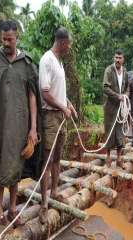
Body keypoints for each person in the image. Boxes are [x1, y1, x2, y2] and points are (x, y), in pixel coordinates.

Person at [0, 20, 40, 226]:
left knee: (16, 169)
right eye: (3, 39)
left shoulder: (26, 63)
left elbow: (33, 96)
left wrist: (33, 128)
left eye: (10, 39)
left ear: (17, 38)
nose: (6, 43)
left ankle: (13, 210)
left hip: (20, 127)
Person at [38, 27, 77, 223]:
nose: (69, 47)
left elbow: (57, 89)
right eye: (68, 43)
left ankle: (54, 192)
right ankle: (44, 204)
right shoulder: (47, 60)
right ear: (62, 42)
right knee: (47, 159)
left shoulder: (59, 62)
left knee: (57, 157)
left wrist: (68, 103)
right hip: (51, 117)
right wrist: (63, 107)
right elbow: (45, 93)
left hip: (61, 116)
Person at [103, 49, 129, 168]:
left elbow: (128, 87)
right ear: (114, 58)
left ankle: (119, 158)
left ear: (123, 59)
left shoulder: (125, 72)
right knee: (109, 130)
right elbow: (105, 88)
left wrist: (125, 96)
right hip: (110, 106)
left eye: (120, 58)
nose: (118, 60)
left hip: (121, 107)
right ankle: (108, 157)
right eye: (116, 58)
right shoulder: (109, 70)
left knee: (120, 132)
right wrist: (117, 96)